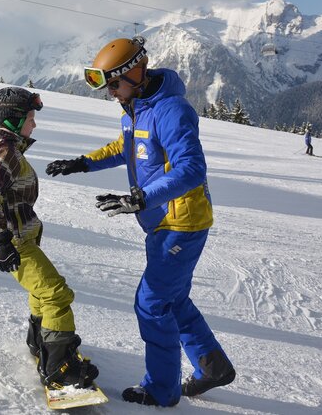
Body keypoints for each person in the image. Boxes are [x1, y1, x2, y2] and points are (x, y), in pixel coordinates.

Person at [46, 36, 235, 407]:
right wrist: (83, 162)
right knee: (172, 299)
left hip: (180, 221)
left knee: (151, 303)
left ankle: (161, 390)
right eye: (108, 87)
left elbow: (191, 168)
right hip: (160, 219)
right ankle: (212, 366)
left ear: (134, 72)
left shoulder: (171, 110)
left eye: (114, 84)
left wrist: (140, 198)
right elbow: (126, 147)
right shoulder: (135, 107)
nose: (111, 93)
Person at [0, 87, 99, 390]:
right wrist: (1, 240)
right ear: (14, 120)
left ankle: (41, 342)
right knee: (56, 294)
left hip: (18, 237)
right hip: (13, 241)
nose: (34, 124)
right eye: (30, 118)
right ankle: (58, 368)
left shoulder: (8, 148)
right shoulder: (4, 153)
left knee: (42, 291)